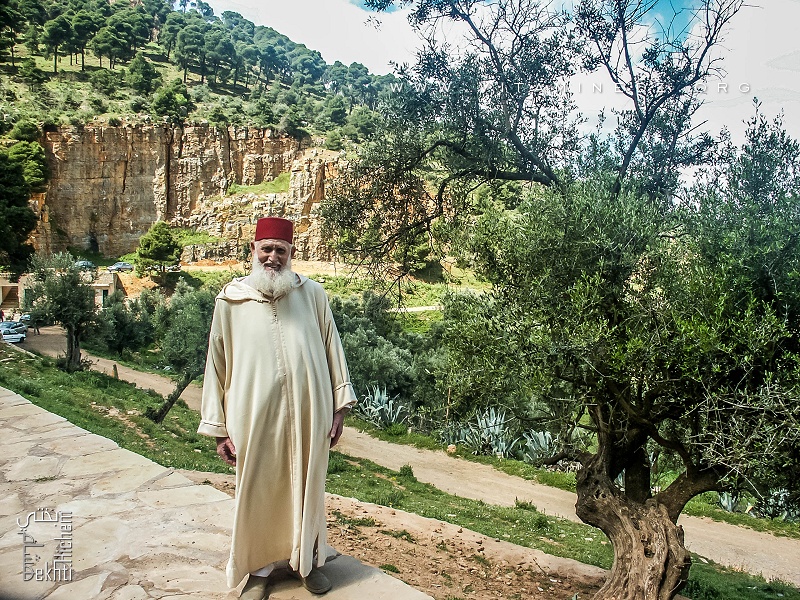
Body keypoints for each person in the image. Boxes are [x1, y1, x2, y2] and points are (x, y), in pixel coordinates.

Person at [198, 216, 357, 600]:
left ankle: (308, 563)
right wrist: (218, 429)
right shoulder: (230, 301)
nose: (273, 257)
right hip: (252, 419)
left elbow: (333, 350)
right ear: (253, 251)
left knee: (308, 490)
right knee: (258, 492)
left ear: (291, 254)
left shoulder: (312, 294)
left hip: (309, 416)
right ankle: (258, 570)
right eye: (266, 249)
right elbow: (216, 365)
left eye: (280, 250)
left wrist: (339, 409)